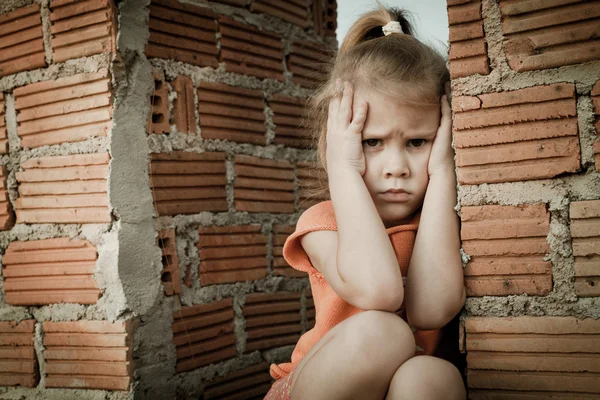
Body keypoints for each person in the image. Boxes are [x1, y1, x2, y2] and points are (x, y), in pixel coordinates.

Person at [264, 3, 466, 399]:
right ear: (339, 142)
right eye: (372, 142)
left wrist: (443, 174)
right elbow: (380, 293)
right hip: (312, 387)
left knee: (432, 376)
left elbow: (431, 311)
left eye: (417, 142)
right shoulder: (322, 225)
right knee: (384, 332)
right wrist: (342, 169)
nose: (396, 167)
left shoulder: (441, 222)